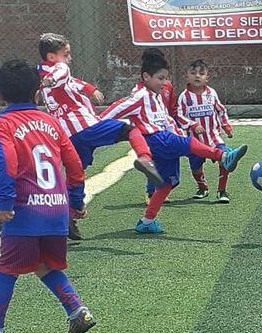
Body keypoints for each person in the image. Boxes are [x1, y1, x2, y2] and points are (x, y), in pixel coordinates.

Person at [0, 59, 94, 333]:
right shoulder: (52, 122)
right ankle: (77, 311)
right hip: (57, 211)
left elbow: (7, 163)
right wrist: (77, 201)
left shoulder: (1, 123)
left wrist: (5, 202)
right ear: (36, 94)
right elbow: (75, 165)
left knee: (7, 269)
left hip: (25, 210)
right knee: (44, 264)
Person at [101, 50, 248, 234]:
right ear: (146, 77)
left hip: (163, 139)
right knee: (188, 143)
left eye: (165, 79)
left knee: (167, 183)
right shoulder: (139, 95)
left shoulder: (155, 94)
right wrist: (93, 124)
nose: (164, 83)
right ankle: (224, 156)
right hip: (156, 139)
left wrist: (177, 131)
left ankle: (147, 221)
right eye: (160, 79)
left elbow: (167, 120)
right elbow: (116, 109)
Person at [37, 33, 164, 240]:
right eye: (66, 54)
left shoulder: (44, 74)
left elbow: (70, 81)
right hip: (84, 126)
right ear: (52, 57)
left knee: (77, 171)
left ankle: (73, 211)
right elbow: (62, 73)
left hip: (68, 134)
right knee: (130, 129)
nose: (69, 59)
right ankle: (144, 158)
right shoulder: (56, 71)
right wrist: (51, 81)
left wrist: (90, 88)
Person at [177, 59, 238, 203]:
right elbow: (179, 115)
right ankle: (202, 188)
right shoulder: (184, 97)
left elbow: (221, 110)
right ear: (187, 76)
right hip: (195, 142)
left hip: (214, 137)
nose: (197, 76)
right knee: (196, 166)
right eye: (193, 73)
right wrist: (192, 125)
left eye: (201, 73)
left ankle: (222, 191)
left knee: (225, 159)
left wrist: (226, 126)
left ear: (207, 77)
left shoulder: (212, 94)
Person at [143, 48, 178, 205]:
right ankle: (151, 192)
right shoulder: (141, 92)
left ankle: (165, 187)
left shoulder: (168, 86)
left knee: (170, 159)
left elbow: (172, 107)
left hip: (167, 129)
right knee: (154, 161)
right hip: (151, 132)